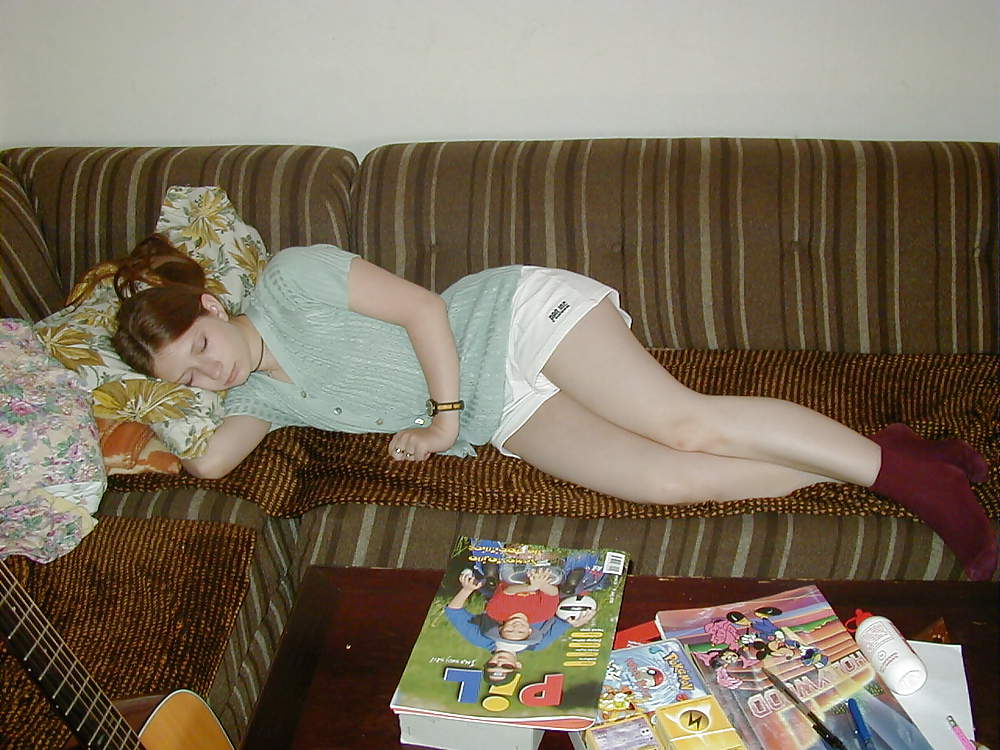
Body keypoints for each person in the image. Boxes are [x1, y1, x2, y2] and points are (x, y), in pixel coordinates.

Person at [104, 234, 997, 581]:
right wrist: (120, 414)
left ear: (211, 307)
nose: (209, 375)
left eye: (201, 348)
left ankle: (921, 485)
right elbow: (210, 461)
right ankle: (886, 456)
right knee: (664, 481)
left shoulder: (291, 280)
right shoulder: (257, 397)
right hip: (506, 413)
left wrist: (441, 420)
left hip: (516, 320)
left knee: (685, 423)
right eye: (188, 380)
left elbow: (423, 309)